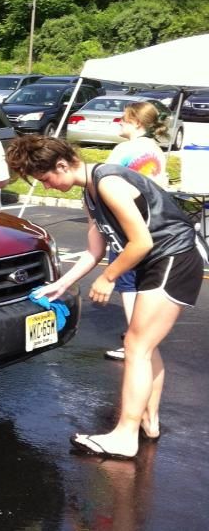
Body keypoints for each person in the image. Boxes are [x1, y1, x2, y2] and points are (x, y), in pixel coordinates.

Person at [5, 134, 203, 459]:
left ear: (62, 164)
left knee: (136, 347)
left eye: (46, 179)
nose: (48, 186)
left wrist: (109, 278)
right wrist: (61, 283)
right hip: (157, 262)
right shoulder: (90, 192)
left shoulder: (108, 182)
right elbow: (95, 250)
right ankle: (148, 421)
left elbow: (141, 242)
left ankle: (125, 436)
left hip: (173, 258)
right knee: (144, 345)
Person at [103, 101, 170, 362]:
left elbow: (103, 179)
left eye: (123, 118)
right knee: (144, 280)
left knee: (127, 281)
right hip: (152, 221)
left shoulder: (124, 149)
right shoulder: (156, 149)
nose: (119, 122)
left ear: (136, 122)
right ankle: (143, 335)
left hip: (126, 222)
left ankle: (134, 339)